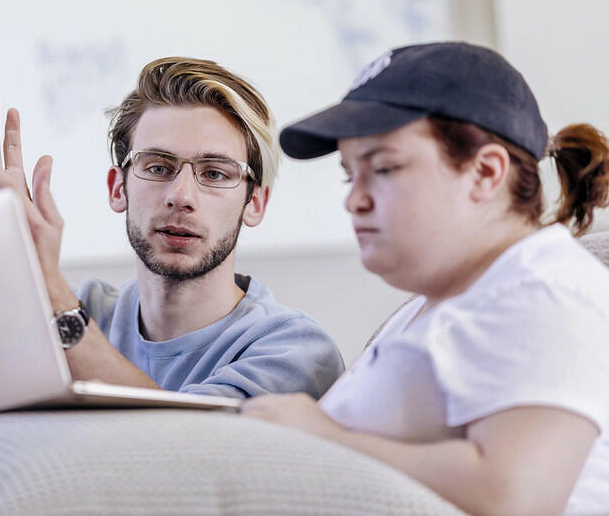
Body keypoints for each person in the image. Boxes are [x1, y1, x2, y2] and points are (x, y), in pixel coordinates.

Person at [242, 42, 609, 514]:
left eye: (383, 168)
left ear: (485, 172)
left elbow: (515, 497)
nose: (354, 200)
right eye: (349, 175)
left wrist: (322, 437)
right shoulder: (431, 306)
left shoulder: (546, 290)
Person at [0, 57, 344, 431]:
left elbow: (186, 455)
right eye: (157, 166)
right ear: (118, 188)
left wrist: (48, 292)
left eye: (215, 174)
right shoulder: (85, 307)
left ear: (255, 203)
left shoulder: (294, 350)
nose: (181, 196)